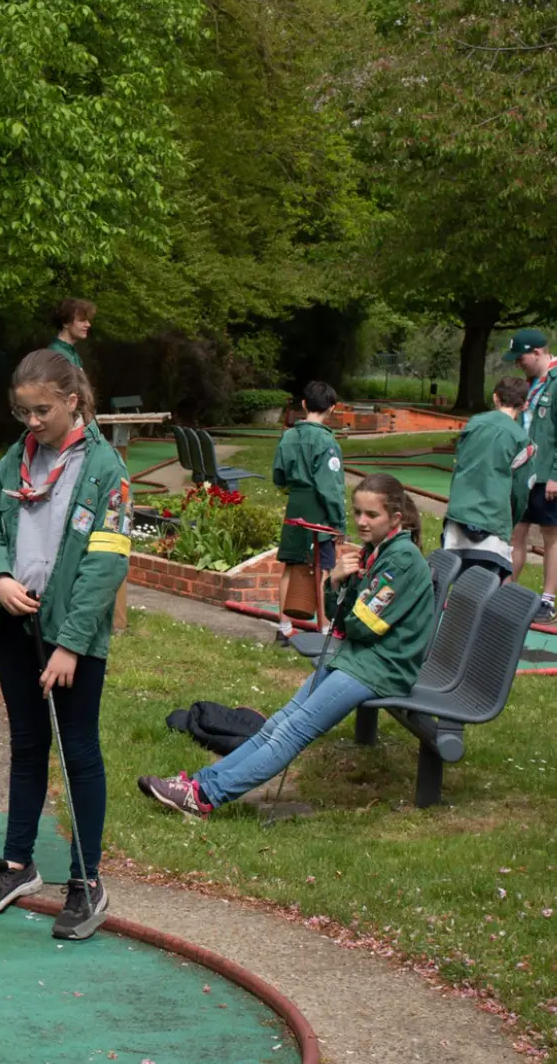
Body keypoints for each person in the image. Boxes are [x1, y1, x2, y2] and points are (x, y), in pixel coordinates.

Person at [138, 474, 434, 818]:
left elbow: (360, 625)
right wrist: (337, 581)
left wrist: (343, 588)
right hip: (358, 658)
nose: (361, 522)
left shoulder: (401, 560)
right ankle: (200, 783)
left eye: (371, 515)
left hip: (380, 667)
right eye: (357, 513)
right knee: (277, 723)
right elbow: (341, 617)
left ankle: (204, 797)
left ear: (396, 518)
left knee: (292, 731)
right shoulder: (376, 552)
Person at [0, 348, 133, 938]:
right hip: (19, 623)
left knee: (78, 749)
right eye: (22, 413)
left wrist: (72, 645)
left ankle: (86, 881)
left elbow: (106, 566)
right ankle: (17, 864)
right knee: (27, 744)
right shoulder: (17, 460)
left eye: (42, 411)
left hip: (73, 636)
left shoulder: (105, 469)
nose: (31, 423)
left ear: (72, 400)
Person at [272, 381, 347, 636]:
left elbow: (278, 476)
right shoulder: (327, 442)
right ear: (332, 409)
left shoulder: (288, 436)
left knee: (291, 566)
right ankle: (325, 630)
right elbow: (331, 488)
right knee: (323, 568)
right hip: (319, 510)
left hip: (295, 507)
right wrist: (339, 524)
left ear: (303, 404)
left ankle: (283, 628)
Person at [444, 374, 533, 577]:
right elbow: (520, 491)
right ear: (525, 404)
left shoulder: (473, 424)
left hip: (457, 517)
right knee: (483, 590)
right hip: (493, 524)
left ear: (495, 398)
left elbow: (459, 465)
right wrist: (510, 521)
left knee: (451, 583)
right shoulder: (522, 440)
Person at [508, 327, 557, 618]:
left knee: (551, 535)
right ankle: (509, 590)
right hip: (522, 472)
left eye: (520, 357)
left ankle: (548, 599)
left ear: (537, 352)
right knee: (516, 532)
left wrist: (555, 474)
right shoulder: (528, 383)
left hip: (546, 475)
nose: (517, 363)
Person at [51, 297, 95, 368]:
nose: (88, 324)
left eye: (87, 320)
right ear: (66, 323)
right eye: (82, 320)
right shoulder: (56, 355)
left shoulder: (71, 352)